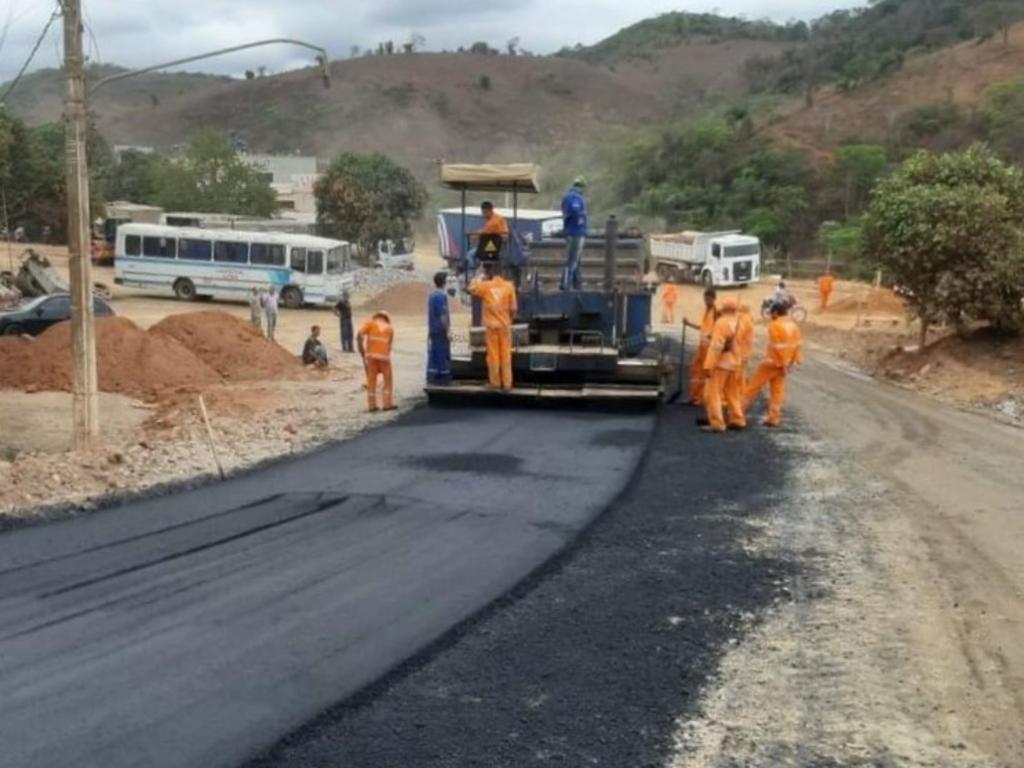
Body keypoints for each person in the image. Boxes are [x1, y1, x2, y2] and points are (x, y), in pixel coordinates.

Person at [744, 301, 804, 428]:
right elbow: (797, 345)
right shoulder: (794, 326)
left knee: (753, 387)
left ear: (776, 313)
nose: (771, 315)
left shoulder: (775, 325)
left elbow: (778, 347)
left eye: (771, 313)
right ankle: (774, 418)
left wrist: (783, 364)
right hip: (784, 364)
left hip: (772, 363)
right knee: (777, 391)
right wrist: (792, 362)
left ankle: (737, 413)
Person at [701, 297, 747, 434]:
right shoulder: (740, 323)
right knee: (733, 394)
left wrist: (708, 365)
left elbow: (716, 347)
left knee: (712, 394)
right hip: (735, 363)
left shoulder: (721, 323)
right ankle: (738, 419)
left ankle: (717, 424)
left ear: (724, 308)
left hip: (720, 364)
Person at [469, 262, 517, 391]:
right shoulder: (509, 286)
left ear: (490, 273)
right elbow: (514, 308)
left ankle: (495, 383)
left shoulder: (486, 286)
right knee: (506, 355)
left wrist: (479, 275)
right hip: (504, 326)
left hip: (491, 327)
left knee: (493, 356)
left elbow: (472, 288)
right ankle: (507, 384)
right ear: (502, 272)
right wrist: (509, 320)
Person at [358, 310, 396, 412]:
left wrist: (361, 349)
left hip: (371, 357)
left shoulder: (370, 324)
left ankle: (372, 406)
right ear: (386, 318)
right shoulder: (390, 328)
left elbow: (359, 335)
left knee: (371, 381)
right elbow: (389, 346)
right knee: (387, 381)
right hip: (384, 357)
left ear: (376, 316)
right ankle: (387, 404)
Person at [687, 288, 718, 406]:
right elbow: (703, 328)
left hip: (709, 349)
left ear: (714, 299)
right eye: (705, 299)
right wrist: (689, 324)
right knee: (695, 369)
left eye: (708, 299)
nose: (706, 301)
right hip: (702, 347)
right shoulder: (706, 311)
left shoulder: (716, 313)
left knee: (706, 373)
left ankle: (704, 397)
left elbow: (719, 330)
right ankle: (695, 396)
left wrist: (712, 336)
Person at [560, 176, 588, 291]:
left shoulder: (568, 196)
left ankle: (577, 284)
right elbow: (575, 212)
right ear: (582, 186)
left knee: (576, 260)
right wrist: (581, 219)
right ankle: (566, 285)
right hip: (575, 232)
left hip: (572, 231)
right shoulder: (574, 197)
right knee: (572, 260)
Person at [427, 271, 452, 385]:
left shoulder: (431, 296)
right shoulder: (442, 296)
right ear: (444, 282)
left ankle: (432, 377)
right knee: (442, 353)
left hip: (433, 329)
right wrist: (448, 331)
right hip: (440, 330)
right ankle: (443, 378)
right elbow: (443, 315)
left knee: (434, 353)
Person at [736, 302, 756, 392]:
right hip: (747, 350)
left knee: (737, 373)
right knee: (742, 372)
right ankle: (742, 390)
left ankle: (738, 391)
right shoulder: (750, 318)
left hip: (740, 350)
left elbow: (739, 335)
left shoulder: (743, 319)